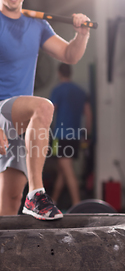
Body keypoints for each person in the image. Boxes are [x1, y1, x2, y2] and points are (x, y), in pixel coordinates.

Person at [0, 0, 91, 219]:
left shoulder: (38, 25)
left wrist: (81, 35)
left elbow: (69, 55)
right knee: (43, 106)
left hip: (23, 122)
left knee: (10, 202)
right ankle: (36, 194)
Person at [50, 63, 92, 207]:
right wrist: (86, 134)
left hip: (60, 136)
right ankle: (52, 202)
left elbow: (49, 112)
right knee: (62, 171)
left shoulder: (57, 90)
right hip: (75, 136)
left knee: (67, 170)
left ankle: (77, 204)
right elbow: (88, 114)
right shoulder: (81, 91)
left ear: (59, 73)